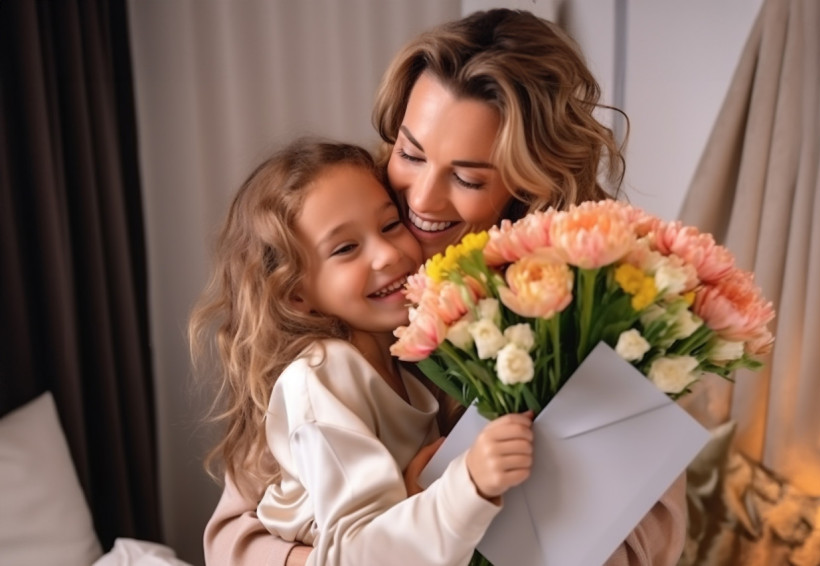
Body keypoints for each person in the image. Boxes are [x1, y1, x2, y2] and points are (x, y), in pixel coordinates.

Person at [203, 8, 687, 566]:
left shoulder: (597, 309)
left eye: (467, 177)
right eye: (410, 154)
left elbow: (646, 538)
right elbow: (232, 541)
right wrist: (396, 523)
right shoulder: (337, 304)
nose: (421, 200)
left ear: (531, 184)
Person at [190, 138, 535, 566]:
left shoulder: (406, 367)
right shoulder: (320, 378)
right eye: (345, 249)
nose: (388, 254)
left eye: (391, 225)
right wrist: (469, 484)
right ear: (297, 294)